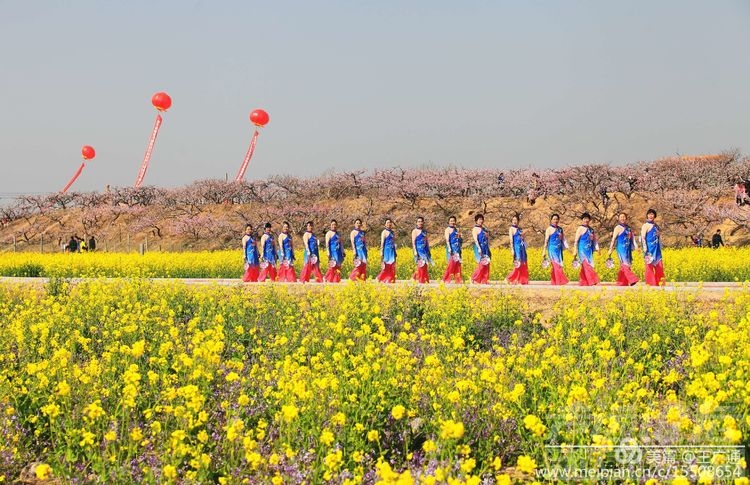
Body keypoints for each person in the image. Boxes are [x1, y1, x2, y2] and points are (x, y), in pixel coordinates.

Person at [608, 212, 639, 286]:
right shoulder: (617, 228)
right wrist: (610, 249)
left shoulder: (628, 228)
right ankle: (632, 279)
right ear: (618, 218)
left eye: (624, 217)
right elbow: (613, 239)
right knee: (625, 264)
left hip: (627, 249)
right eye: (621, 217)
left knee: (624, 265)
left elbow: (633, 238)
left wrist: (636, 246)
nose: (623, 218)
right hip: (621, 249)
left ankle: (621, 283)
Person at [572, 212, 600, 286]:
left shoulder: (591, 230)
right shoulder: (580, 229)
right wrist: (575, 251)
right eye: (584, 219)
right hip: (582, 251)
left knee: (586, 266)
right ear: (582, 220)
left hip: (589, 251)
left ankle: (583, 282)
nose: (586, 220)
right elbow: (576, 241)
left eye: (587, 219)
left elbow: (594, 240)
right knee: (586, 265)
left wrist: (597, 248)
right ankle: (592, 281)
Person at [641, 209, 665, 286]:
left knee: (659, 267)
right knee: (649, 268)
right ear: (647, 215)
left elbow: (659, 237)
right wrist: (645, 249)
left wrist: (661, 245)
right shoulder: (645, 225)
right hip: (649, 250)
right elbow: (643, 237)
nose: (651, 216)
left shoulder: (656, 226)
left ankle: (660, 284)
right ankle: (651, 284)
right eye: (649, 214)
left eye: (652, 214)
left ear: (655, 216)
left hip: (657, 250)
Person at [543, 214, 569, 285]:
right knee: (557, 265)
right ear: (551, 220)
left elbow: (563, 239)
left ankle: (554, 281)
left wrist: (567, 247)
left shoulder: (560, 229)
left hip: (559, 250)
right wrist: (544, 251)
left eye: (557, 219)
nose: (555, 220)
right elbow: (546, 241)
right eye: (554, 219)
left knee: (556, 266)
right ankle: (560, 281)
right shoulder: (549, 229)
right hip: (552, 250)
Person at [506, 214, 529, 285]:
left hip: (522, 248)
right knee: (518, 263)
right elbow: (511, 240)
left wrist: (525, 245)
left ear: (518, 221)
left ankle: (521, 280)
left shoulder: (520, 229)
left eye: (516, 220)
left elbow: (523, 239)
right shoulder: (511, 229)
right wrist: (512, 249)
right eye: (513, 220)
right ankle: (510, 278)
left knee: (523, 263)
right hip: (516, 248)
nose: (514, 221)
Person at [471, 214, 491, 284]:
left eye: (482, 219)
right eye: (479, 219)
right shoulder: (475, 229)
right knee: (481, 264)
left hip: (486, 248)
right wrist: (479, 248)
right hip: (480, 248)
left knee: (487, 264)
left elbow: (488, 239)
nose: (481, 221)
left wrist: (489, 246)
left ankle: (484, 280)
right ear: (476, 221)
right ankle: (475, 278)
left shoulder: (485, 229)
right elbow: (476, 240)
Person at [411, 217, 432, 283]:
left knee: (425, 265)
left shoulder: (424, 231)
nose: (420, 223)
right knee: (421, 265)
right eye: (419, 221)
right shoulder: (414, 231)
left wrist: (428, 250)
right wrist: (415, 251)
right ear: (416, 223)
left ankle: (416, 278)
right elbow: (413, 242)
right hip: (418, 251)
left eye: (421, 221)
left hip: (425, 250)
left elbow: (426, 241)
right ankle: (420, 279)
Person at [442, 216, 463, 284]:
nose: (452, 222)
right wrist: (449, 248)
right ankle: (445, 279)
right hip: (452, 249)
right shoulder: (447, 229)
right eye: (451, 221)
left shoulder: (457, 229)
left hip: (458, 249)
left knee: (458, 265)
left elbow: (461, 240)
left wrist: (460, 236)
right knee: (451, 264)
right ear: (448, 222)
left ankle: (458, 280)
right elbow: (447, 240)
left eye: (453, 221)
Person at [376, 219, 397, 283]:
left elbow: (393, 242)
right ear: (385, 224)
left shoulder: (392, 232)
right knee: (386, 266)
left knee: (392, 266)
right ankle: (380, 278)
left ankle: (390, 279)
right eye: (387, 223)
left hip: (392, 251)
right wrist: (381, 252)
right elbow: (382, 243)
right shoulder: (384, 232)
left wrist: (395, 251)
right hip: (386, 251)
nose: (389, 224)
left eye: (390, 223)